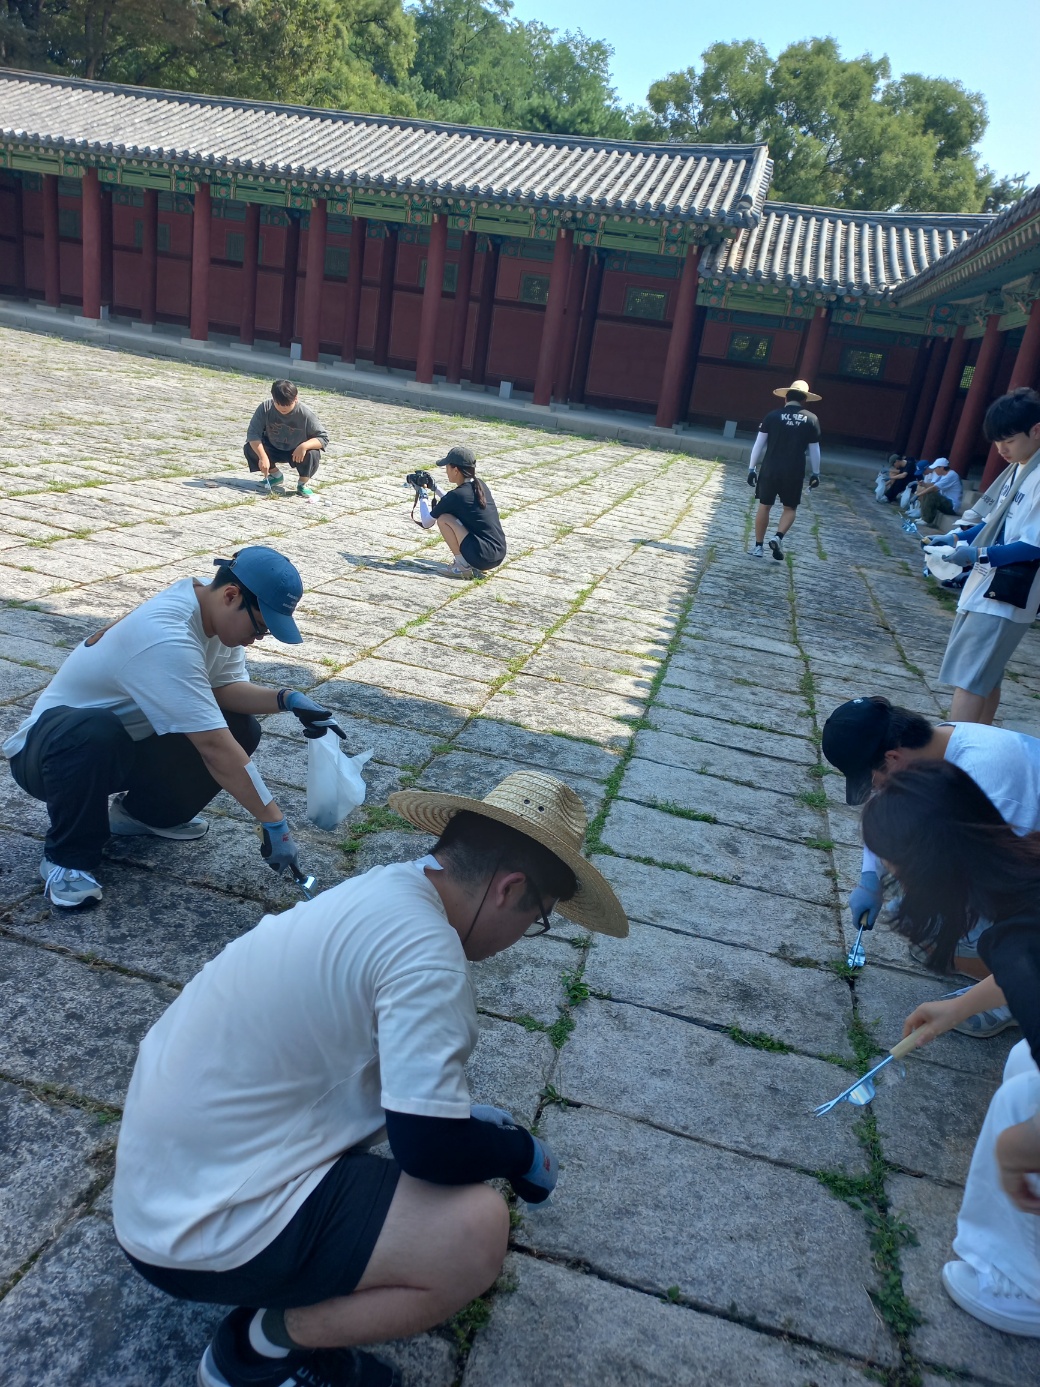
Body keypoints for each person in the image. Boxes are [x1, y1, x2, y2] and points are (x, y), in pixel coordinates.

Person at [111, 771, 628, 1387]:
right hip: (198, 1228)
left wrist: (466, 1125)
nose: (525, 936)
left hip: (161, 1182)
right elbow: (429, 1148)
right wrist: (519, 1151)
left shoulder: (386, 891)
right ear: (508, 888)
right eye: (538, 918)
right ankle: (257, 1351)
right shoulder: (429, 958)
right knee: (475, 1232)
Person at [2, 548, 344, 908]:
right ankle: (66, 859)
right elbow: (213, 747)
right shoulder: (167, 635)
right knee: (95, 730)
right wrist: (274, 822)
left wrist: (287, 698)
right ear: (232, 596)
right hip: (49, 757)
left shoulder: (212, 617)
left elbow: (221, 690)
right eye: (260, 628)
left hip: (122, 746)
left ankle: (141, 816)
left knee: (241, 728)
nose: (254, 640)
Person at [861, 762, 1040, 1337]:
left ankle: (1022, 1280)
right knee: (1020, 1065)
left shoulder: (1017, 943)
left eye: (894, 876)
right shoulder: (1026, 869)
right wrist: (958, 1008)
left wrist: (1018, 1148)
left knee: (1018, 1111)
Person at [822, 695, 1040, 1034]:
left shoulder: (994, 785)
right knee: (922, 920)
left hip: (1019, 892)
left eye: (876, 782)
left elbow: (988, 887)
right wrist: (870, 878)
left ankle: (1015, 1000)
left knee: (937, 927)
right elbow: (890, 808)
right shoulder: (935, 749)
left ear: (892, 758)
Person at [927, 388, 1040, 724]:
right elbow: (995, 522)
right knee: (985, 678)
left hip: (1007, 590)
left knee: (969, 677)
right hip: (988, 586)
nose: (1001, 449)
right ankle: (976, 745)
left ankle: (955, 756)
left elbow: (1033, 546)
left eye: (1008, 439)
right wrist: (956, 536)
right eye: (996, 441)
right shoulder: (1021, 467)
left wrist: (976, 554)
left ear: (1037, 430)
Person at [747, 378, 822, 560]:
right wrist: (816, 473)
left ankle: (758, 547)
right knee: (790, 508)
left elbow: (758, 444)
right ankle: (778, 536)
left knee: (764, 506)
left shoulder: (772, 416)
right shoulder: (811, 419)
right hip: (794, 470)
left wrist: (751, 468)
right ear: (804, 400)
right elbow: (815, 450)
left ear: (785, 398)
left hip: (770, 468)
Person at [416, 445, 507, 579]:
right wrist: (435, 488)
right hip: (497, 554)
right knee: (452, 516)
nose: (446, 470)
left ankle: (462, 566)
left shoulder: (457, 495)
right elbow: (453, 500)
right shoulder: (480, 485)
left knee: (444, 519)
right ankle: (471, 565)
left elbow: (426, 522)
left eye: (447, 467)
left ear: (456, 470)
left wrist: (422, 493)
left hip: (482, 556)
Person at [244, 379, 330, 498]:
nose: (283, 408)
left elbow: (323, 437)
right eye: (279, 404)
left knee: (313, 453)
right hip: (273, 446)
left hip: (296, 451)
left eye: (287, 405)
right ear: (273, 399)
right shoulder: (265, 408)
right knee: (250, 447)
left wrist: (304, 446)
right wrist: (262, 457)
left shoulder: (305, 413)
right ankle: (275, 475)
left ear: (295, 399)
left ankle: (302, 484)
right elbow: (253, 434)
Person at [914, 458, 963, 527]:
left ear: (942, 467)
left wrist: (917, 495)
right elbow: (933, 486)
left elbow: (934, 488)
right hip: (946, 501)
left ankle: (927, 520)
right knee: (928, 492)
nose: (934, 470)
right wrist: (924, 484)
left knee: (932, 494)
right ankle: (923, 517)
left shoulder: (951, 475)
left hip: (952, 506)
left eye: (936, 468)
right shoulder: (943, 476)